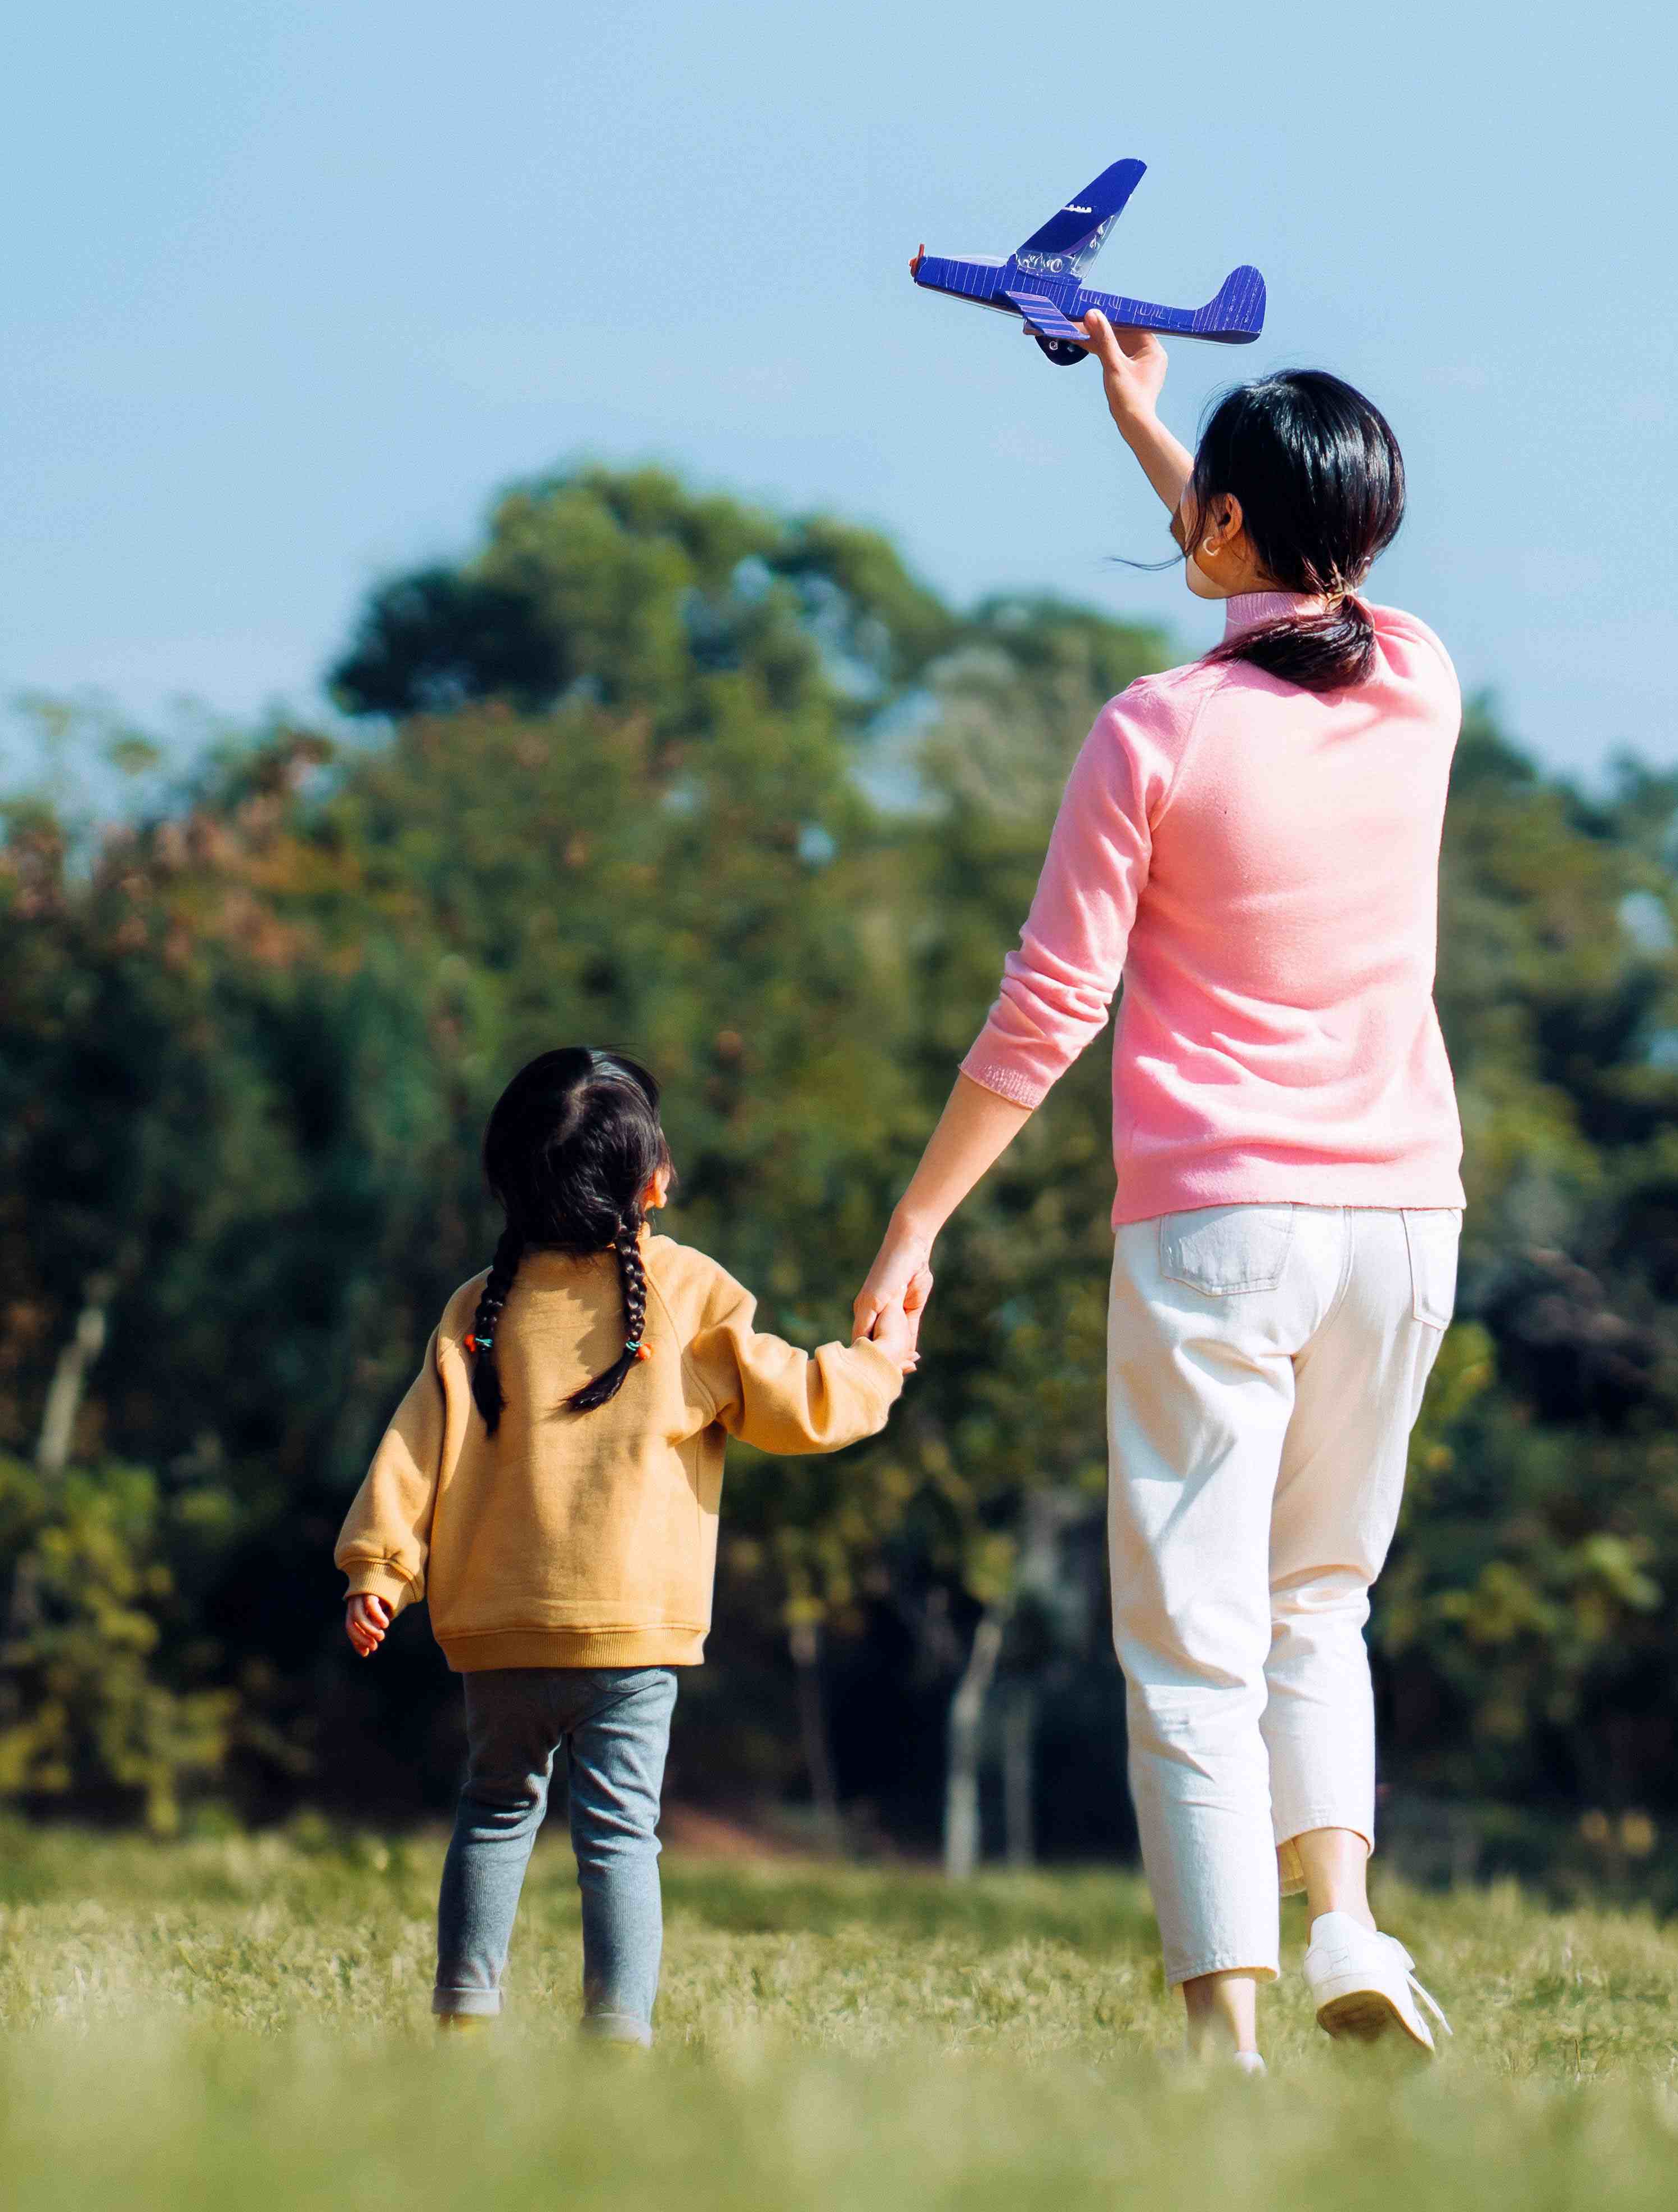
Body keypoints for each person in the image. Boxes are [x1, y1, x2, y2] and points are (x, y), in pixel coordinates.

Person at [853, 310, 1463, 2071]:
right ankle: (1344, 1916)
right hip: (1404, 1220)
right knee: (1318, 1601)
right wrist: (1150, 421)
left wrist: (919, 1222)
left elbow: (1050, 1006)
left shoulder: (1154, 732)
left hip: (1218, 1226)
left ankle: (1227, 2044)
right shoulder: (1419, 679)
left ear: (1227, 530)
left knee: (1189, 1637)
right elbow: (1284, 588)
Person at [340, 1045, 906, 2047]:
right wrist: (880, 1366)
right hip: (632, 1640)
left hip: (500, 1630)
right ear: (652, 1182)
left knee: (494, 1812)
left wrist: (381, 1568)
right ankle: (617, 2033)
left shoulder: (480, 1306)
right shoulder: (686, 1292)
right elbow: (798, 1404)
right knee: (618, 1840)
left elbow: (413, 1445)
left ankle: (466, 2014)